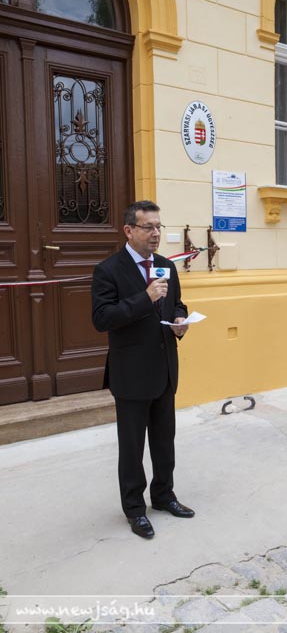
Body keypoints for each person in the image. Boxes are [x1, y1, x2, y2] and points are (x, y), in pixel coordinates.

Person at [91, 200, 194, 539]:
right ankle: (135, 509)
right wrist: (145, 298)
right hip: (131, 373)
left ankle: (164, 496)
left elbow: (177, 303)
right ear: (129, 230)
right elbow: (102, 318)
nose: (155, 233)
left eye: (159, 226)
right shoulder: (108, 270)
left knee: (164, 441)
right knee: (132, 448)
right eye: (148, 227)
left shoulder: (166, 266)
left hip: (164, 369)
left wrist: (180, 319)